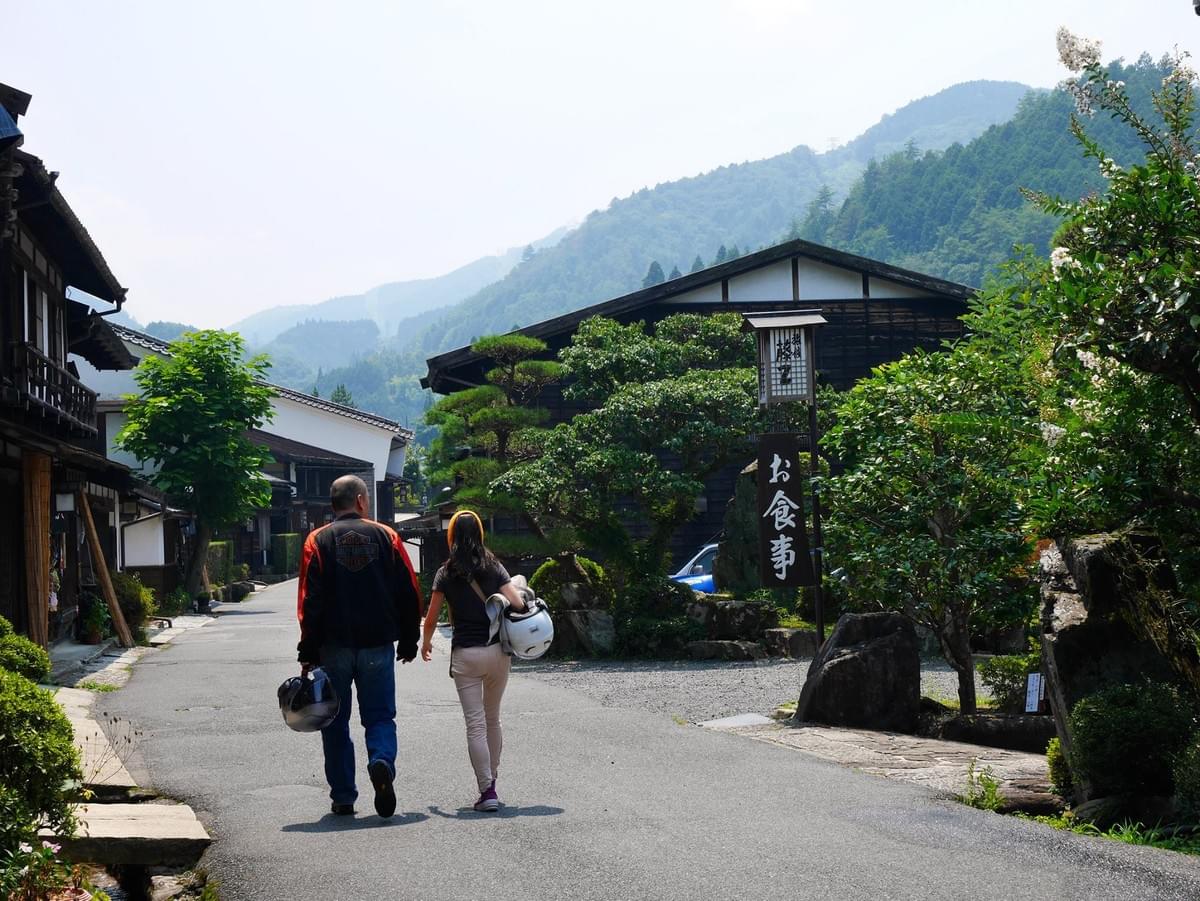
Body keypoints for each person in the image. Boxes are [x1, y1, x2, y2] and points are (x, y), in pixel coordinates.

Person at [296, 474, 423, 818]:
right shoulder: (388, 536)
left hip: (333, 647)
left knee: (334, 721)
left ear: (333, 505)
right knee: (380, 716)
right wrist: (409, 639)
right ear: (362, 501)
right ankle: (381, 761)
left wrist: (308, 651)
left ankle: (343, 796)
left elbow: (310, 600)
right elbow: (409, 592)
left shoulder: (317, 541)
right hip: (378, 644)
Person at [421, 509, 526, 812]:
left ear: (451, 536)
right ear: (480, 534)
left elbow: (430, 618)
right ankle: (492, 783)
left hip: (466, 655)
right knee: (492, 718)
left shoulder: (446, 571)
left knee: (475, 724)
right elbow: (517, 603)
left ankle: (486, 789)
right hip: (497, 653)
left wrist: (427, 644)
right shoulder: (494, 566)